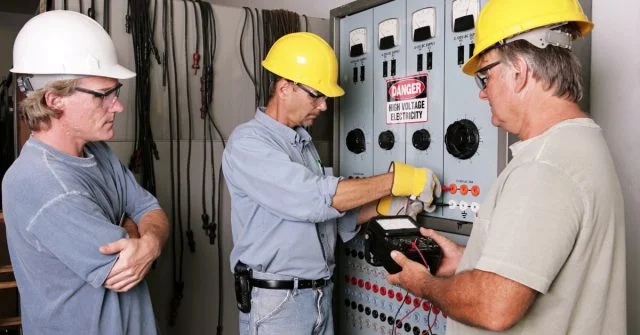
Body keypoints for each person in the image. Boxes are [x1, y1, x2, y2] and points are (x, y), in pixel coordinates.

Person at [387, 0, 626, 334]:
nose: (483, 94)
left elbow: (494, 307)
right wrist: (468, 260)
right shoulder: (581, 144)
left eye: (485, 76)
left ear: (519, 73)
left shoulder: (544, 166)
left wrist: (423, 284)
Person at [221, 31, 442, 335]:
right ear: (285, 88)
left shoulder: (303, 145)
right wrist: (396, 181)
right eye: (317, 95)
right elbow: (313, 198)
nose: (324, 106)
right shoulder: (249, 143)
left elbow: (330, 220)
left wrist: (382, 206)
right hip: (278, 304)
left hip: (319, 297)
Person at [1, 10, 169, 335]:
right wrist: (138, 232)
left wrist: (146, 242)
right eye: (103, 95)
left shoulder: (97, 151)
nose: (117, 106)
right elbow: (123, 268)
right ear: (54, 100)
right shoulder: (39, 182)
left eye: (114, 92)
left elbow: (150, 210)